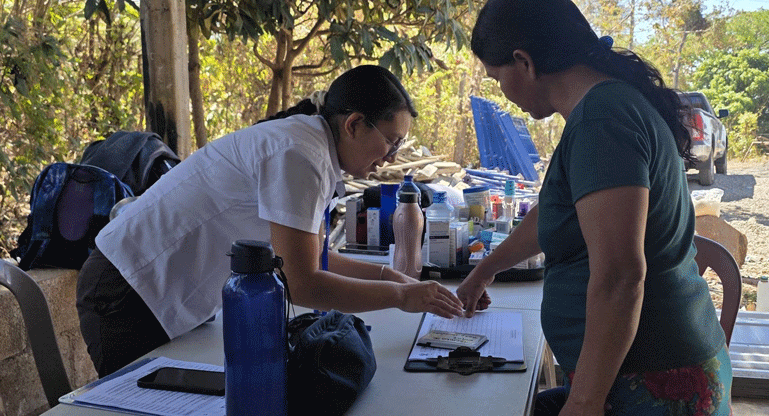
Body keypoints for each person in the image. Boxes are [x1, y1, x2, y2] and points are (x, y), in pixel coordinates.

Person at [77, 65, 464, 377]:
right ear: (354, 124)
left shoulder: (312, 149)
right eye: (392, 142)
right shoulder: (299, 153)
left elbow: (315, 259)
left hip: (154, 290)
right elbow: (303, 284)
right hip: (128, 289)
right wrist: (400, 296)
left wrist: (391, 278)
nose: (392, 157)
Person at [456, 1, 732, 415]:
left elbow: (621, 276)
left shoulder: (602, 120)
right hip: (635, 371)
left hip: (652, 380)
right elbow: (557, 214)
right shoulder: (602, 109)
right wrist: (485, 271)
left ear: (524, 62)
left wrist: (585, 400)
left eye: (497, 79)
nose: (502, 93)